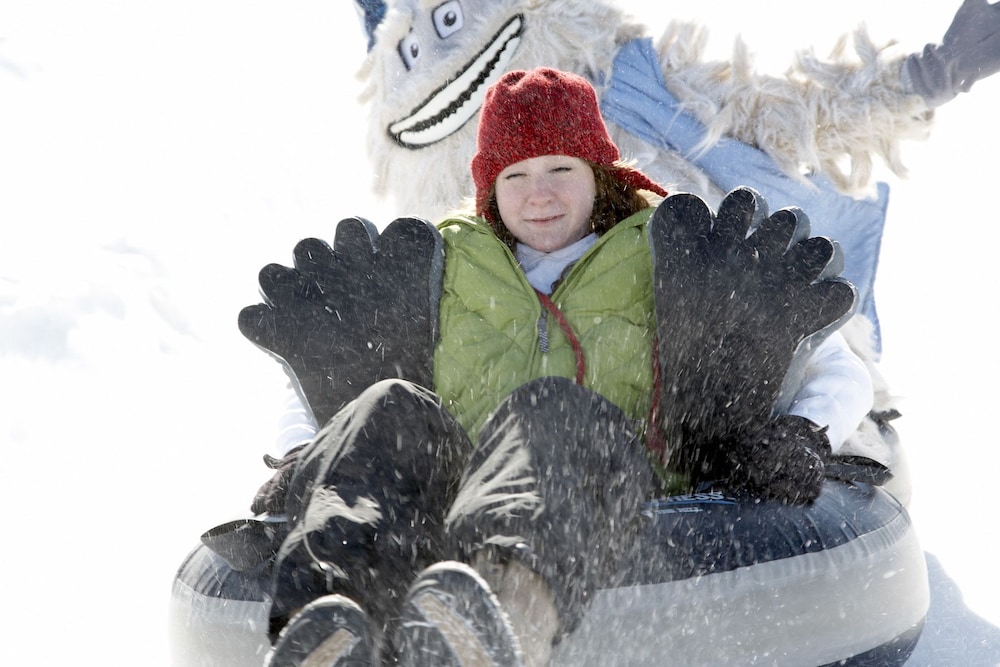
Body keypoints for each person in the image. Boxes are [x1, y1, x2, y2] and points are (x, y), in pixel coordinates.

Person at [250, 67, 875, 667]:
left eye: (560, 168)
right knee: (389, 405)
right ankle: (329, 627)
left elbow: (832, 362)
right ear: (489, 185)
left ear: (598, 173)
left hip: (624, 492)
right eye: (515, 174)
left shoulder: (674, 245)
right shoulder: (442, 261)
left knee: (550, 409)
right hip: (461, 500)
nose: (539, 194)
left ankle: (491, 632)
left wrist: (806, 430)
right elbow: (317, 390)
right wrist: (301, 455)